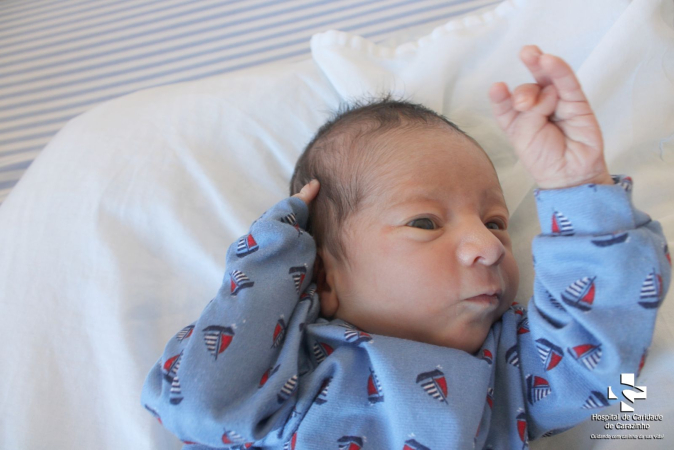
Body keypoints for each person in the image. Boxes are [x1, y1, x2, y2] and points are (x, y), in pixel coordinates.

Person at [141, 45, 671, 449]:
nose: (487, 247)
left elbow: (600, 357)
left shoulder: (507, 370)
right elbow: (201, 402)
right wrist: (272, 259)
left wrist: (577, 187)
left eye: (495, 222)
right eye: (425, 222)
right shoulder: (286, 371)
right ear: (325, 276)